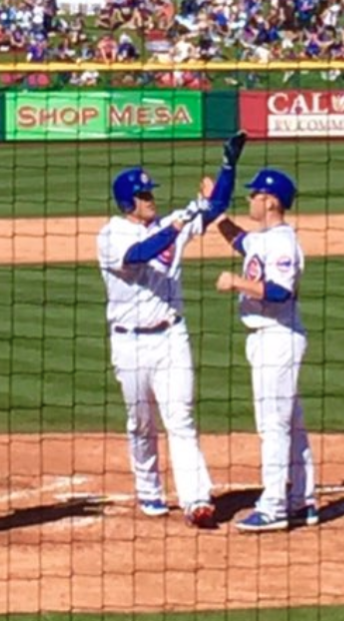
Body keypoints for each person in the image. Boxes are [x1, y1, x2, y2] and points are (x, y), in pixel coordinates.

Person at [96, 133, 246, 528]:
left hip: (171, 338)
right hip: (128, 341)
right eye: (145, 196)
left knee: (180, 419)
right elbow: (140, 254)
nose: (152, 200)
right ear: (129, 203)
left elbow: (215, 206)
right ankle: (149, 490)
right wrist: (180, 221)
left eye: (151, 194)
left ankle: (197, 499)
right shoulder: (111, 235)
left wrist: (227, 166)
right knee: (140, 422)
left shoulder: (169, 225)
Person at [214, 163, 319, 533]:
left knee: (273, 426)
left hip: (278, 336)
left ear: (270, 201)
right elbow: (238, 240)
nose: (249, 198)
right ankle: (303, 499)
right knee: (292, 423)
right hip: (267, 338)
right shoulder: (264, 238)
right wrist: (217, 211)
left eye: (254, 194)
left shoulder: (283, 243)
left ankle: (273, 506)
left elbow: (280, 291)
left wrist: (236, 283)